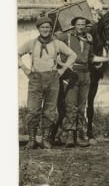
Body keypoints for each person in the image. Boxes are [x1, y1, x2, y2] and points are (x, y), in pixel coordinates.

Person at [18, 16, 78, 150]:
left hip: (53, 79)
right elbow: (16, 54)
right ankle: (32, 140)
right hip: (35, 79)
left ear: (51, 29)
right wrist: (24, 68)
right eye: (42, 27)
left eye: (47, 27)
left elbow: (73, 55)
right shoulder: (31, 43)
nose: (45, 30)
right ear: (38, 29)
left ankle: (45, 139)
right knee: (33, 110)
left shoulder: (57, 43)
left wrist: (62, 69)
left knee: (50, 111)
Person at [58, 15, 109, 148]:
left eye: (83, 24)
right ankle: (69, 134)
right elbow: (54, 44)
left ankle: (80, 135)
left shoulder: (88, 40)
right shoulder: (66, 37)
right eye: (78, 24)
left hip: (86, 74)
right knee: (71, 105)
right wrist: (60, 63)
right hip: (72, 74)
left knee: (81, 106)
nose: (81, 27)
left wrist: (108, 58)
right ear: (74, 25)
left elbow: (91, 58)